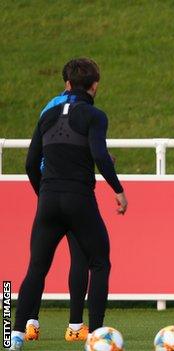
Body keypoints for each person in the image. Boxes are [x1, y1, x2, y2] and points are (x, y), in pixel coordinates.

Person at [10, 58, 128, 350]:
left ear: (66, 83)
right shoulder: (95, 115)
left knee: (36, 268)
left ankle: (12, 335)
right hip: (79, 199)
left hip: (48, 199)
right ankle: (97, 335)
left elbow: (29, 163)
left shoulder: (47, 116)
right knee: (99, 262)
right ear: (95, 85)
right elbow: (99, 156)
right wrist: (118, 189)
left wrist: (45, 194)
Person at [23, 82, 93, 343]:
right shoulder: (84, 111)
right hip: (74, 188)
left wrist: (41, 191)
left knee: (38, 263)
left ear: (66, 83)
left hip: (49, 187)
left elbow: (33, 158)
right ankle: (75, 326)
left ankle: (28, 324)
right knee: (80, 256)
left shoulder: (49, 108)